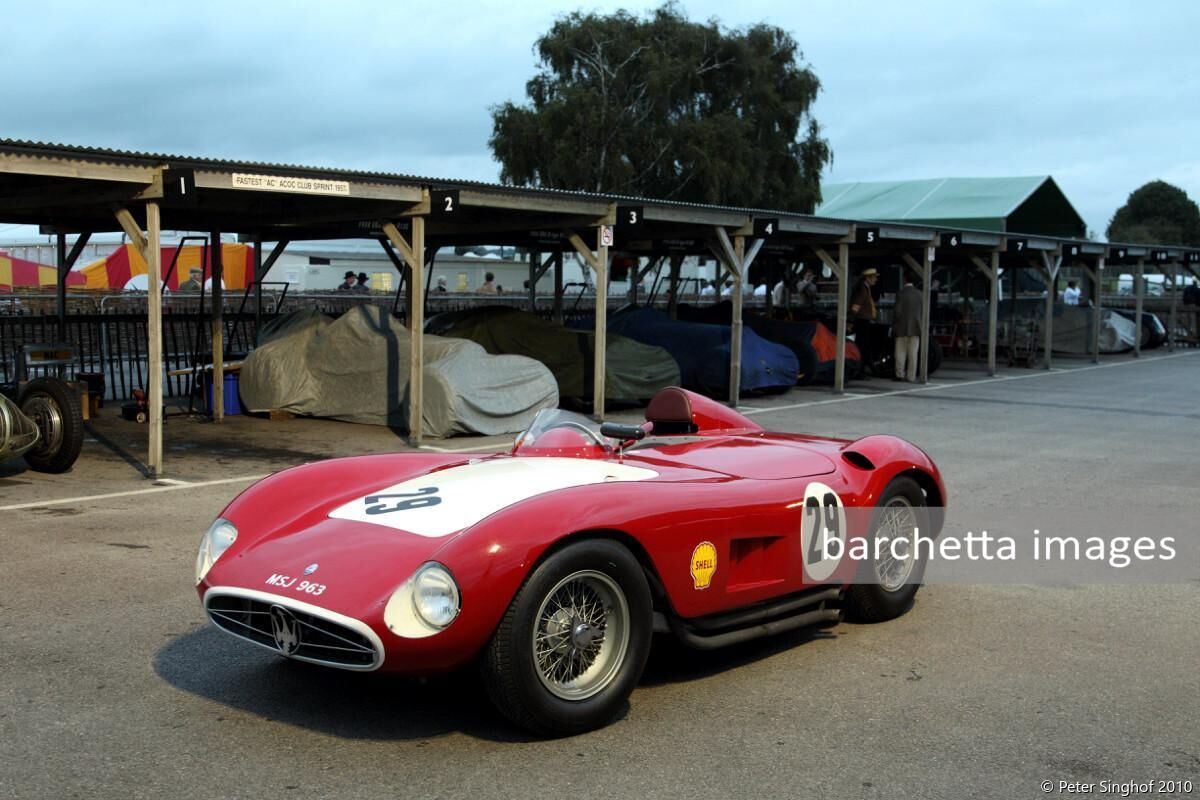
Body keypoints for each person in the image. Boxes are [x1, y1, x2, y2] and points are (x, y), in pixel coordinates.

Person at [892, 273, 923, 382]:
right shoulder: (920, 294)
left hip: (901, 327)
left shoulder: (900, 294)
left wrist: (894, 324)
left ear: (905, 279)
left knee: (900, 352)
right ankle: (911, 376)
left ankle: (900, 374)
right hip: (915, 327)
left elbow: (897, 312)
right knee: (913, 353)